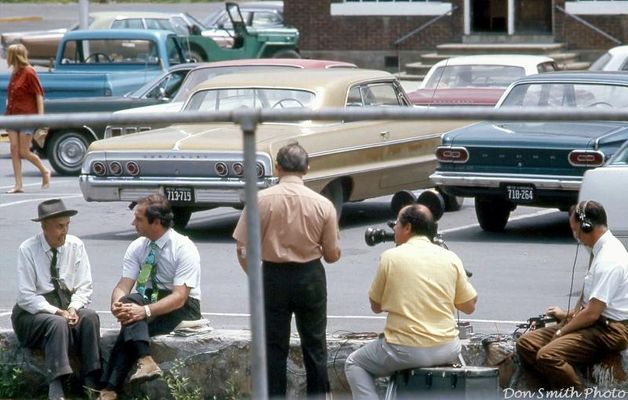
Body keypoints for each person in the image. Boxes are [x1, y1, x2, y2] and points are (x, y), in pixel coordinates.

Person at [233, 142, 341, 399]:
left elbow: (242, 248)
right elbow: (332, 255)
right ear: (307, 168)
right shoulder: (323, 204)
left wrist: (256, 275)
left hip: (272, 276)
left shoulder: (260, 200)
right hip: (310, 277)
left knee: (273, 347)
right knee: (315, 345)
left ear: (278, 168)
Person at [344, 204, 478, 400]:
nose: (394, 228)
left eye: (396, 223)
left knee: (354, 364)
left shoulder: (390, 257)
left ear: (407, 228)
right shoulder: (450, 258)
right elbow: (469, 306)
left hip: (404, 350)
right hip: (447, 349)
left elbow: (375, 306)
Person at [516, 200, 628, 393]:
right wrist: (566, 314)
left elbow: (592, 313)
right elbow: (590, 303)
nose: (575, 235)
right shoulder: (600, 250)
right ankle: (547, 392)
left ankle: (578, 395)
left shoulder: (610, 260)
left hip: (608, 330)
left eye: (576, 230)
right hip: (594, 322)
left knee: (548, 355)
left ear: (587, 227)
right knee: (525, 344)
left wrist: (562, 331)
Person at [98, 194, 202, 400]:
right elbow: (124, 285)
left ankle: (109, 388)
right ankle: (145, 360)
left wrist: (144, 311)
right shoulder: (138, 246)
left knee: (131, 329)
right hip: (149, 296)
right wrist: (117, 304)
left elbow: (180, 296)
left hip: (181, 304)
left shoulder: (183, 247)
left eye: (138, 219)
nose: (132, 223)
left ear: (156, 222)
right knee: (129, 311)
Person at [11, 198, 101, 400]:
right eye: (60, 226)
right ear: (44, 226)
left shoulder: (75, 245)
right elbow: (26, 297)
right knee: (57, 323)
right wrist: (58, 312)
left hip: (65, 305)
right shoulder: (28, 249)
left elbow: (84, 285)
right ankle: (56, 385)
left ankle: (90, 380)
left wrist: (74, 308)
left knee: (90, 317)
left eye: (67, 225)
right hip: (32, 315)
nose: (65, 231)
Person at [5, 43, 51, 194]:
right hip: (11, 116)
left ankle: (45, 171)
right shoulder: (15, 72)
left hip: (26, 117)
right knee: (13, 149)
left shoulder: (29, 72)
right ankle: (18, 184)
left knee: (24, 152)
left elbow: (39, 95)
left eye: (8, 54)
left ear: (15, 56)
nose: (6, 57)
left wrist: (40, 118)